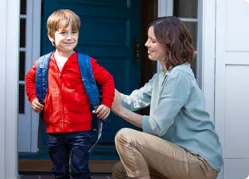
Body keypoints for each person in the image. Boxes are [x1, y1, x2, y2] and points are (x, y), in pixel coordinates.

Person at [111, 16, 223, 179]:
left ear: (169, 45)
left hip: (199, 161)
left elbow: (157, 126)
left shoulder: (179, 76)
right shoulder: (161, 77)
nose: (146, 44)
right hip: (178, 155)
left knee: (125, 137)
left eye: (152, 40)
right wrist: (102, 86)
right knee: (120, 170)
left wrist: (119, 111)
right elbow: (131, 101)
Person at [25, 9, 115, 179]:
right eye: (63, 32)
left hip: (80, 128)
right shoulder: (43, 64)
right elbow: (29, 80)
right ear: (51, 36)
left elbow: (107, 80)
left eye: (74, 32)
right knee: (59, 170)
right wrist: (33, 98)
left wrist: (106, 104)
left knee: (79, 168)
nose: (70, 37)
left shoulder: (85, 62)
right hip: (53, 128)